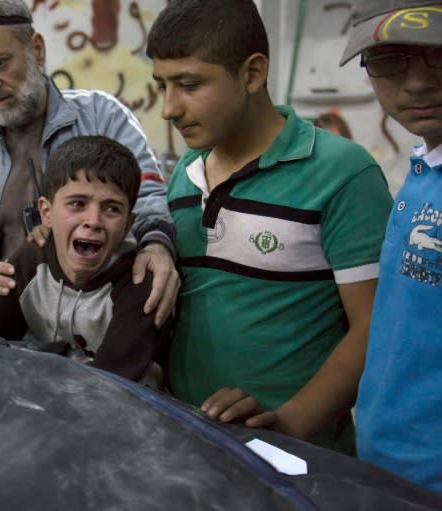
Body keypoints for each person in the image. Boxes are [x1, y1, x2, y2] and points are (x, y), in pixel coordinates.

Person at [147, 0, 394, 452]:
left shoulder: (341, 174)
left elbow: (376, 326)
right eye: (162, 85)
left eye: (189, 85)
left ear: (253, 73)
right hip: (193, 447)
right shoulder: (186, 172)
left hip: (301, 464)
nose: (168, 108)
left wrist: (290, 424)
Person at [0, 0, 179, 327]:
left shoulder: (104, 116)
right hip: (7, 337)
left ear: (37, 50)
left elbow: (149, 198)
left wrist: (157, 245)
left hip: (101, 329)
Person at [0, 135, 171, 383]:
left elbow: (110, 381)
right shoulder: (33, 257)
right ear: (46, 212)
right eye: (77, 204)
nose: (93, 221)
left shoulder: (140, 282)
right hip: (52, 396)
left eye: (112, 209)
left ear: (128, 224)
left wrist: (8, 351)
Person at [339, 0, 442, 492]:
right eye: (388, 59)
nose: (418, 81)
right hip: (390, 472)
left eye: (440, 52)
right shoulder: (425, 171)